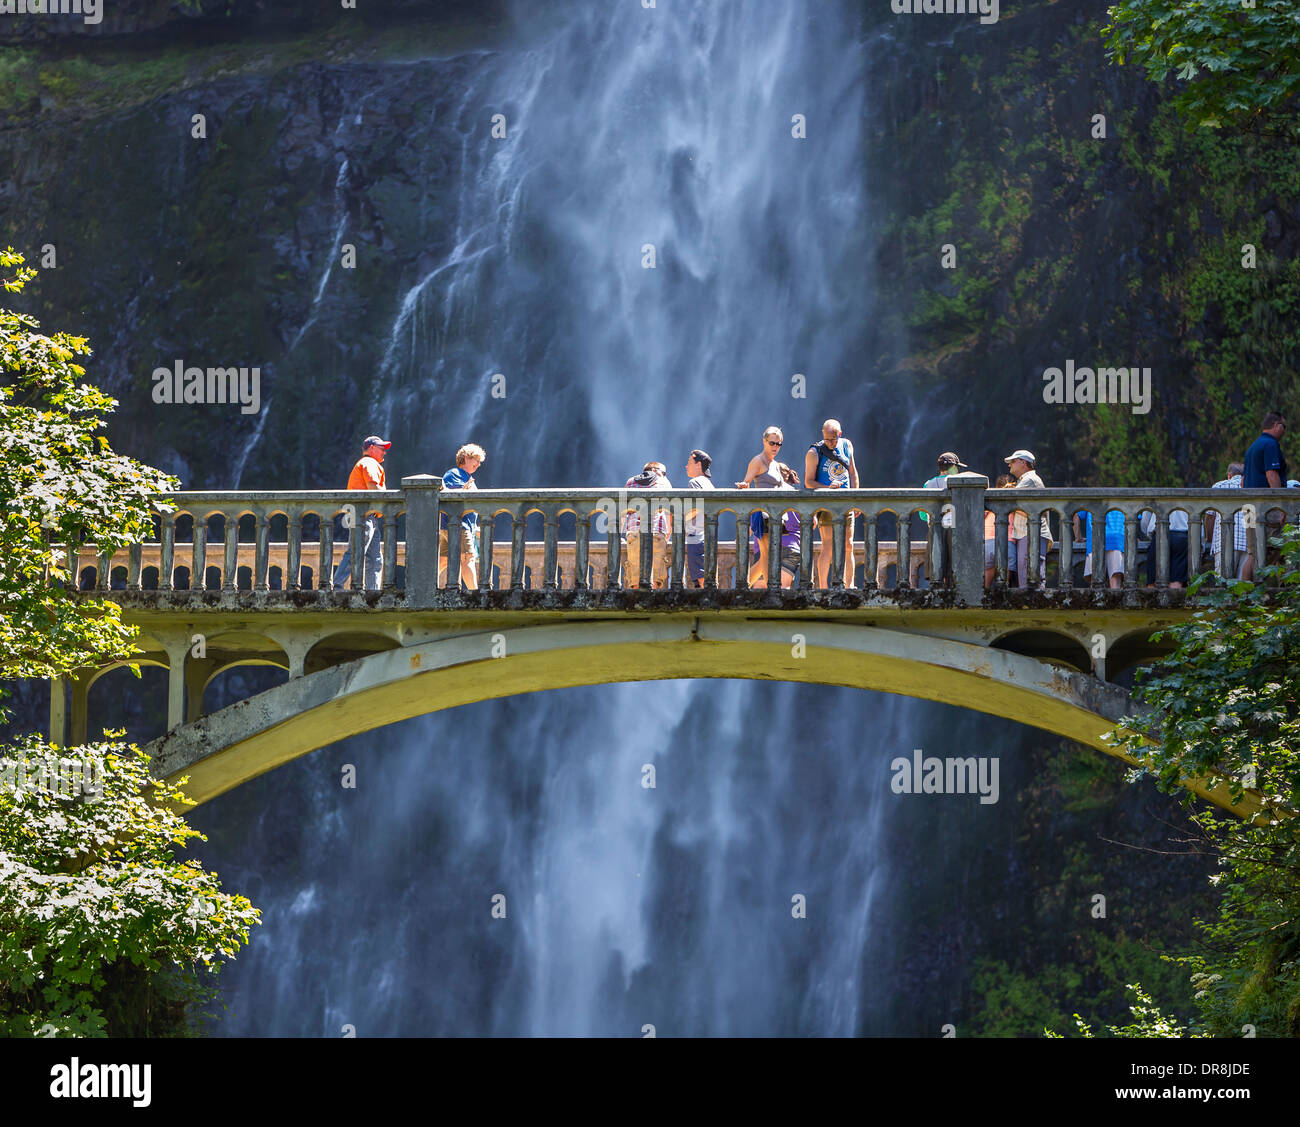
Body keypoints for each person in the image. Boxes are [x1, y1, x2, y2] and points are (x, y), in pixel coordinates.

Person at [737, 426, 799, 587]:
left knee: (770, 553)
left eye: (779, 444)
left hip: (776, 514)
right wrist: (744, 486)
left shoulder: (776, 464)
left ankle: (744, 585)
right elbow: (747, 481)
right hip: (762, 513)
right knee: (767, 553)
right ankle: (770, 587)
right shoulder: (758, 461)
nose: (775, 447)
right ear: (764, 441)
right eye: (772, 443)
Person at [803, 419, 859, 587]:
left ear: (839, 434)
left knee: (848, 545)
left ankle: (850, 586)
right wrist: (828, 488)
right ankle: (823, 588)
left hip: (847, 503)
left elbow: (853, 473)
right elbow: (808, 482)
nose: (830, 443)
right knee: (827, 546)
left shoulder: (847, 446)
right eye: (826, 439)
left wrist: (856, 498)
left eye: (833, 439)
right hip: (826, 505)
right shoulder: (814, 452)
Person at [333, 435, 390, 590]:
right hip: (363, 516)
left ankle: (373, 591)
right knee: (356, 552)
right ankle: (337, 587)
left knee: (375, 558)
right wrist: (391, 499)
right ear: (371, 448)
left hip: (368, 516)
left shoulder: (365, 463)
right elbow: (373, 488)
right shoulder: (369, 463)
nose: (384, 452)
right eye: (381, 449)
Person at [1242, 411, 1288, 578]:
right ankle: (1286, 592)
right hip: (1266, 508)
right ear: (1276, 425)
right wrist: (1281, 505)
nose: (1284, 431)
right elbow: (1271, 474)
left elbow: (1243, 481)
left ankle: (1246, 593)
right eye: (1284, 427)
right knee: (1285, 545)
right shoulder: (1271, 445)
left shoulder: (1253, 447)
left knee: (1253, 553)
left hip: (1248, 507)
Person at [1004, 449, 1054, 588]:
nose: (1010, 465)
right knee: (1028, 576)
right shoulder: (1025, 480)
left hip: (1031, 533)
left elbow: (1010, 502)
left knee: (1031, 577)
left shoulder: (1030, 480)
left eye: (1013, 461)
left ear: (1024, 463)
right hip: (1027, 533)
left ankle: (1035, 605)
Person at [438, 443, 485, 590]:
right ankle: (477, 596)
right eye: (476, 459)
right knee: (467, 559)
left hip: (454, 526)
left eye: (479, 461)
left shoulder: (466, 477)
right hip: (458, 526)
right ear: (465, 458)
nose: (478, 464)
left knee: (443, 560)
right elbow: (450, 494)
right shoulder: (454, 473)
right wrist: (467, 489)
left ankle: (421, 587)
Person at [622, 461, 673, 588]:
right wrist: (667, 536)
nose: (665, 476)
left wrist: (619, 535)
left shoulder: (630, 482)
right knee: (655, 578)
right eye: (664, 473)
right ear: (657, 471)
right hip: (656, 532)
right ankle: (651, 605)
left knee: (634, 578)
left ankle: (637, 605)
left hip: (633, 533)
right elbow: (669, 513)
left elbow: (622, 511)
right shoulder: (663, 483)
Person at [921, 451, 965, 585]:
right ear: (952, 467)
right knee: (954, 565)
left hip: (934, 528)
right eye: (957, 467)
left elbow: (922, 514)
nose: (957, 470)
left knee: (937, 564)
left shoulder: (928, 484)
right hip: (954, 528)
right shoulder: (958, 483)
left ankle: (937, 592)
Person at [1206, 462, 1246, 581]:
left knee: (1223, 585)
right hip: (1248, 545)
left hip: (1224, 543)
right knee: (1244, 587)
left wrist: (1209, 538)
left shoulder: (1219, 486)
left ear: (1229, 475)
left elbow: (1209, 517)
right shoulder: (1251, 487)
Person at [683, 449, 715, 588]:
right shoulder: (709, 483)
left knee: (701, 581)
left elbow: (696, 507)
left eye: (689, 462)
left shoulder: (695, 482)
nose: (686, 466)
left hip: (697, 537)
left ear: (698, 464)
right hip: (708, 536)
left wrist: (682, 517)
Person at [1075, 508, 1125, 589]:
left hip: (1095, 537)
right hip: (1117, 538)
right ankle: (1115, 601)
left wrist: (1078, 536)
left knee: (1096, 582)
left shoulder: (1089, 494)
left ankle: (1097, 601)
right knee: (1115, 580)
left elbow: (1076, 514)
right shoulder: (1124, 494)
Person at [1140, 507, 1189, 588]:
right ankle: (1174, 600)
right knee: (1176, 579)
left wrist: (1148, 533)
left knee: (1153, 580)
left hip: (1159, 534)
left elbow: (1146, 516)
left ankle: (1153, 600)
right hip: (1182, 535)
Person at [984, 473, 1015, 587]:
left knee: (986, 579)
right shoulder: (1014, 501)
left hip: (987, 541)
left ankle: (983, 599)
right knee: (1004, 583)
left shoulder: (989, 502)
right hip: (1008, 541)